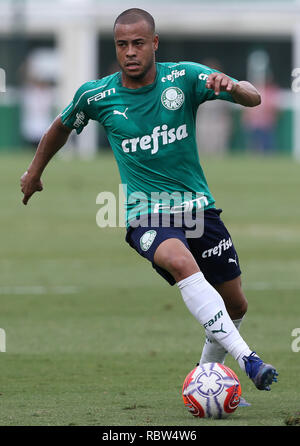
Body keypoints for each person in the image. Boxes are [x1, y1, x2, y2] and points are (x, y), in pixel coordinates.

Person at [20, 8, 278, 403]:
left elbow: (253, 97)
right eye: (122, 45)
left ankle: (207, 377)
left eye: (138, 43)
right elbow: (60, 126)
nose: (130, 52)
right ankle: (249, 360)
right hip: (145, 213)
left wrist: (233, 86)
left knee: (236, 302)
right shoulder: (97, 95)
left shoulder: (184, 78)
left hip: (198, 209)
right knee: (180, 262)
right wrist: (34, 172)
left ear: (154, 43)